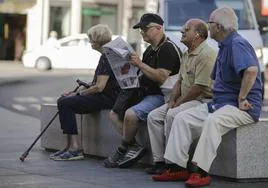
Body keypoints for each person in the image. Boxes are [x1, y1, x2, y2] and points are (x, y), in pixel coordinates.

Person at [152, 7, 262, 187]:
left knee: (214, 121)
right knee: (182, 118)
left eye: (209, 23)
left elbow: (251, 70)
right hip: (220, 104)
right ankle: (177, 167)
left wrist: (242, 98)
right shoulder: (224, 45)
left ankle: (200, 172)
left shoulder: (236, 44)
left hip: (241, 107)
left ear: (218, 26)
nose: (207, 27)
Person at [104, 13, 182, 168]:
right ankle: (133, 146)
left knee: (131, 114)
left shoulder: (167, 48)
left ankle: (123, 148)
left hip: (163, 95)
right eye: (140, 29)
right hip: (145, 91)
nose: (142, 32)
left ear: (159, 28)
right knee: (113, 113)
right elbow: (143, 74)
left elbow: (161, 77)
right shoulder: (149, 50)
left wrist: (139, 64)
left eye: (145, 29)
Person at [146, 18, 216, 175]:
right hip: (184, 99)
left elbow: (199, 87)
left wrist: (178, 103)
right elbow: (179, 81)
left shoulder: (207, 54)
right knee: (154, 116)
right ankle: (160, 161)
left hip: (200, 101)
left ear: (197, 34)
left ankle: (176, 165)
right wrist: (172, 100)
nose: (182, 32)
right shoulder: (186, 53)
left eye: (186, 29)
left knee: (172, 114)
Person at [49, 24, 121, 161]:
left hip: (108, 98)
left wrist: (78, 94)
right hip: (111, 95)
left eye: (90, 39)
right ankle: (70, 145)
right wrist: (83, 88)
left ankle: (75, 148)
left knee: (65, 103)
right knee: (65, 101)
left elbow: (99, 87)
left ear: (97, 40)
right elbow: (100, 82)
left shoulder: (106, 56)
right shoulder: (111, 53)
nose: (89, 42)